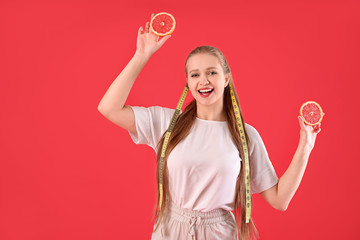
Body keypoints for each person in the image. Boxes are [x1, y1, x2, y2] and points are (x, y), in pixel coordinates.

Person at [97, 13, 321, 240]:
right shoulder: (167, 122)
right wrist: (141, 55)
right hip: (170, 230)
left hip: (219, 233)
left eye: (212, 72)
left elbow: (279, 199)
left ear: (226, 79)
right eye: (195, 75)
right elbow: (109, 108)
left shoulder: (245, 135)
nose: (203, 81)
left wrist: (306, 145)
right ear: (188, 84)